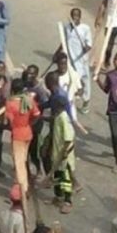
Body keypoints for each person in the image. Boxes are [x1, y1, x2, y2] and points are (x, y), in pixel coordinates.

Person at [43, 74, 77, 213]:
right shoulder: (57, 117)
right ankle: (58, 197)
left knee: (66, 179)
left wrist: (64, 153)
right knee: (57, 175)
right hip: (57, 152)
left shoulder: (63, 118)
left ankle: (68, 201)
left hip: (64, 155)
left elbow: (69, 139)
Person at [5, 78, 40, 192]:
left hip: (18, 135)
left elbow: (8, 122)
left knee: (19, 163)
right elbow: (36, 114)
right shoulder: (28, 100)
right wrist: (29, 123)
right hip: (28, 132)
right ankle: (23, 185)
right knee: (24, 159)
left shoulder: (11, 103)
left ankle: (23, 190)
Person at [22, 65, 51, 179]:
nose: (28, 75)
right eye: (27, 73)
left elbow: (44, 105)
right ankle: (26, 171)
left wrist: (35, 107)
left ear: (36, 75)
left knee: (33, 149)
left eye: (31, 74)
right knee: (25, 149)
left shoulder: (40, 90)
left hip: (36, 123)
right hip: (25, 121)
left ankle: (38, 169)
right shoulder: (26, 85)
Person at [65, 8, 93, 113]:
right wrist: (58, 53)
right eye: (73, 16)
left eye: (77, 16)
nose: (75, 18)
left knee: (84, 81)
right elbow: (65, 40)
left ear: (80, 17)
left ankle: (86, 102)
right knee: (70, 81)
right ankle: (68, 104)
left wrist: (86, 48)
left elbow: (89, 45)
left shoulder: (85, 28)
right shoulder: (67, 27)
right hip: (70, 59)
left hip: (81, 60)